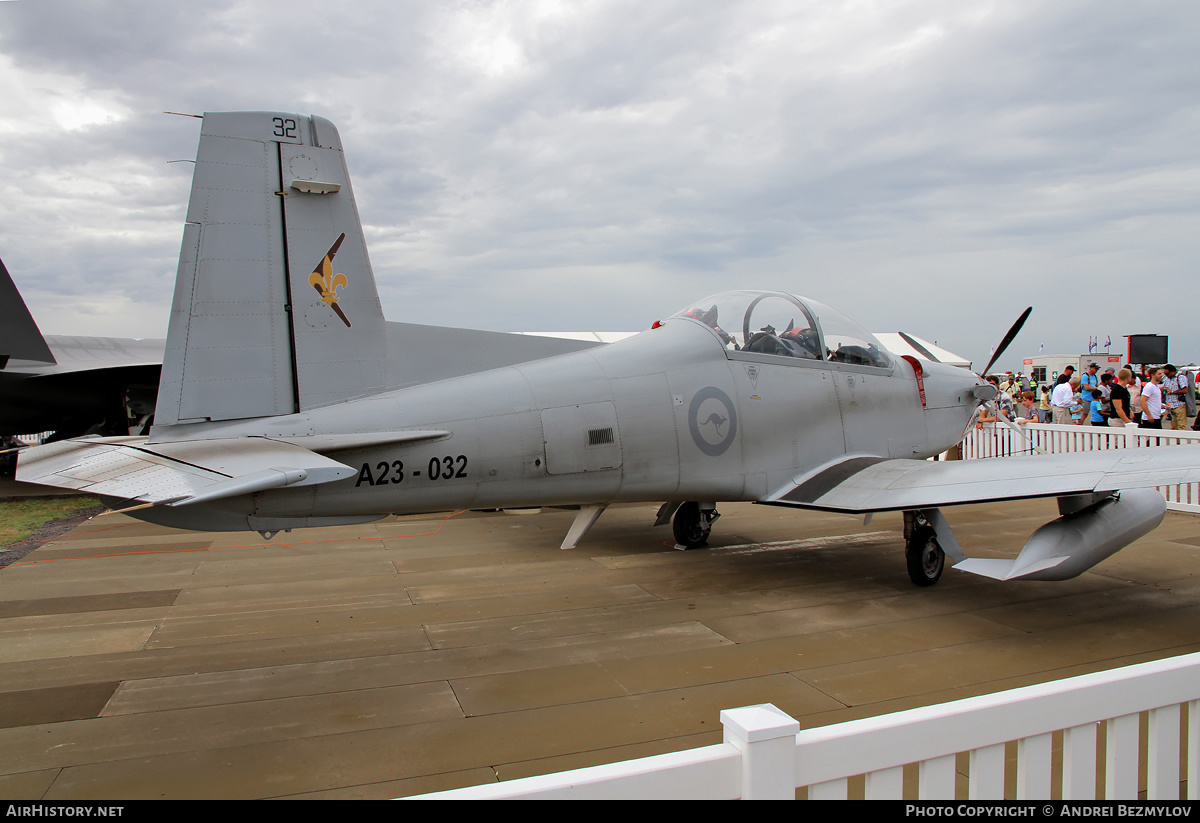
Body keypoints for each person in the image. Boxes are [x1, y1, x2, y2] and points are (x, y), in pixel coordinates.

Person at [1160, 365, 1188, 430]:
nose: (1166, 375)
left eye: (1167, 373)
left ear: (1173, 371)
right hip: (1170, 406)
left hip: (1179, 405)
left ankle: (1182, 439)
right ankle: (1176, 440)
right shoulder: (1167, 379)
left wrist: (1172, 392)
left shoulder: (1180, 377)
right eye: (1165, 374)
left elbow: (1185, 390)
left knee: (1181, 426)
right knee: (1174, 427)